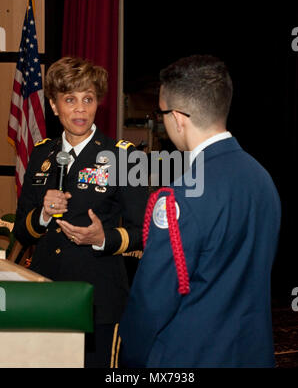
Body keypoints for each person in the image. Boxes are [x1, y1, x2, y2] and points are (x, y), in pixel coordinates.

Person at [119, 55, 281, 368]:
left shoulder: (180, 196)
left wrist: (130, 358)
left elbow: (152, 302)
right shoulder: (262, 178)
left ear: (178, 117)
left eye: (162, 113)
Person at [13, 56, 148, 368]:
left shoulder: (124, 157)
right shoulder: (41, 154)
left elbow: (144, 231)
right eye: (69, 99)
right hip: (47, 295)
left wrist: (103, 238)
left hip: (99, 299)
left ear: (97, 103)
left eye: (88, 99)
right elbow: (21, 230)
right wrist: (43, 216)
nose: (80, 109)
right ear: (54, 105)